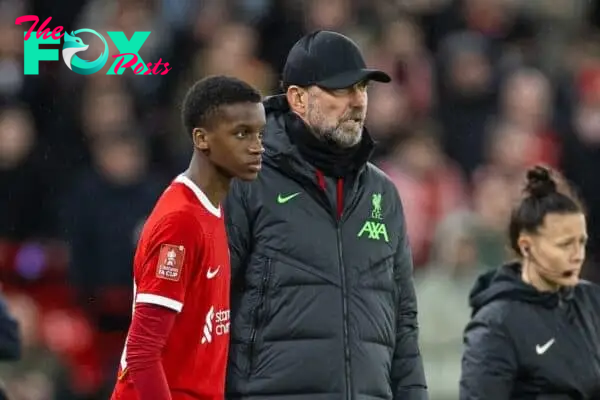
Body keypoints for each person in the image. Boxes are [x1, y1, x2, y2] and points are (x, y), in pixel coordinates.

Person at [224, 30, 428, 400]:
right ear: (298, 98)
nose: (357, 102)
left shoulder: (382, 193)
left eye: (363, 89)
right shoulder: (246, 181)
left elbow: (403, 324)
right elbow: (208, 306)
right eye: (341, 90)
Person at [110, 75, 265, 400]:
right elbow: (142, 353)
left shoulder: (210, 208)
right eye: (241, 133)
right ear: (202, 138)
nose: (256, 147)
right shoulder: (180, 222)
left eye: (259, 134)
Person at [460, 165, 600, 399]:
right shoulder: (497, 323)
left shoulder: (592, 302)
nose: (577, 254)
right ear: (527, 246)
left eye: (581, 242)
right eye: (564, 244)